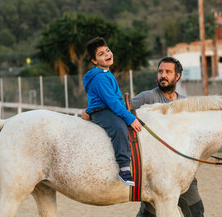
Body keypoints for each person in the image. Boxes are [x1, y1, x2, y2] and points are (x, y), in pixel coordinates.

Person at [132, 57, 204, 217]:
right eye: (160, 72)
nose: (163, 75)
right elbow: (123, 110)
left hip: (183, 173)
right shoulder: (147, 98)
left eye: (168, 72)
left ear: (177, 76)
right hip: (157, 175)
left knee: (196, 211)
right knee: (148, 214)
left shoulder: (186, 104)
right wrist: (92, 110)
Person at [82, 37, 142, 186]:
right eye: (101, 54)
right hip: (101, 110)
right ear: (94, 61)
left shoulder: (106, 73)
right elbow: (112, 102)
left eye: (107, 51)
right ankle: (124, 168)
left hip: (108, 107)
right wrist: (129, 118)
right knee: (119, 127)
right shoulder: (100, 78)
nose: (107, 54)